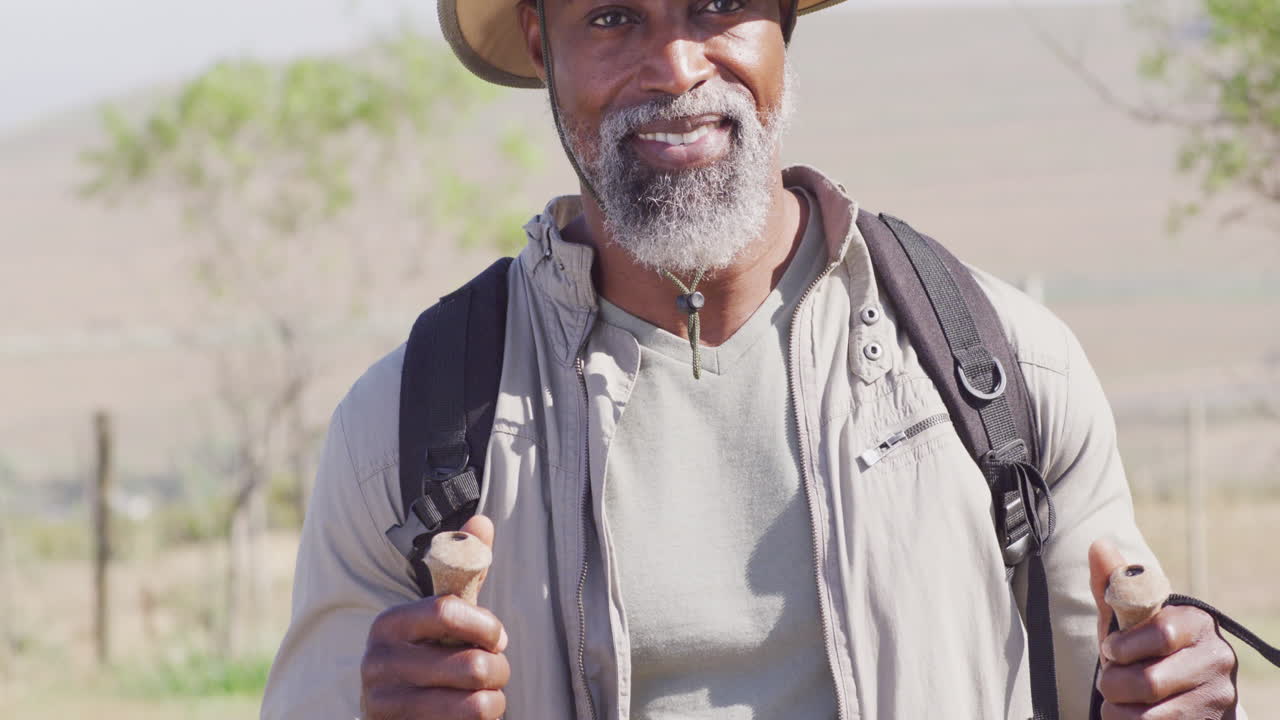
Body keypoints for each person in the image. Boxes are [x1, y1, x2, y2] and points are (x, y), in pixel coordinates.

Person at [260, 0, 1245, 717]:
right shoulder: (410, 430)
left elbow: (1112, 691)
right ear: (537, 42)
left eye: (718, 6)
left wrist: (1174, 693)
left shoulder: (1002, 372)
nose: (676, 65)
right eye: (610, 18)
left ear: (782, 28)